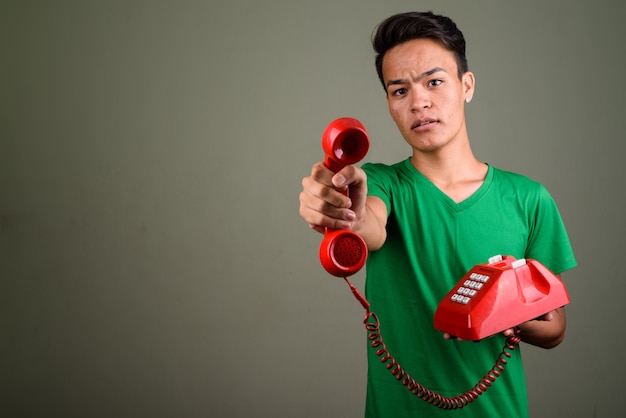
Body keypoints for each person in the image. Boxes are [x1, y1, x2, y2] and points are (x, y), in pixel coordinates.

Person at [299, 10, 577, 417]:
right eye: (399, 91)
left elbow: (554, 328)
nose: (419, 102)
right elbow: (368, 223)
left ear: (466, 86)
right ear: (390, 104)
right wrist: (346, 213)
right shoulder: (380, 183)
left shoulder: (529, 199)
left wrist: (499, 312)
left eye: (434, 82)